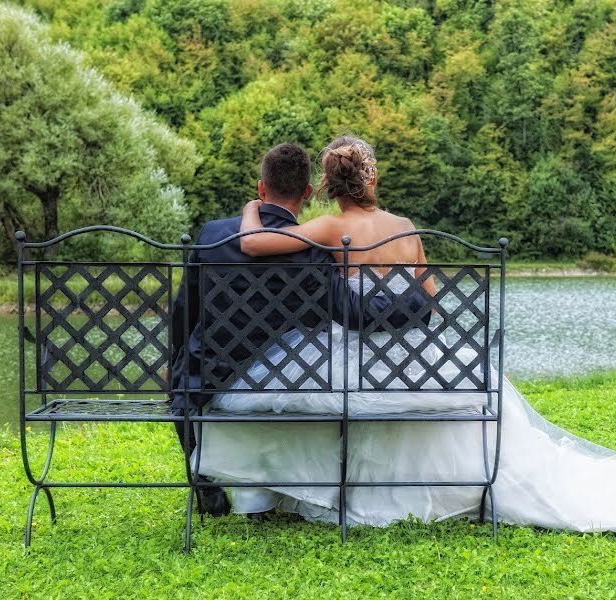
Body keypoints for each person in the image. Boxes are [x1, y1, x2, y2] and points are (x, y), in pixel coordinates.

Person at [198, 136, 616, 540]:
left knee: (309, 389)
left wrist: (255, 207)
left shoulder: (328, 225)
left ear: (328, 188)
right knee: (430, 391)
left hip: (357, 361)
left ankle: (301, 491)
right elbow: (428, 298)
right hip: (415, 359)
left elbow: (254, 245)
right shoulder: (406, 226)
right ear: (372, 180)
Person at [169, 141, 429, 517]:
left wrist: (175, 355)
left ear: (261, 189)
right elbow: (346, 312)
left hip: (211, 369)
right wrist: (415, 305)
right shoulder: (315, 246)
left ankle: (205, 481)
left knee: (181, 383)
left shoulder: (212, 235)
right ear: (307, 193)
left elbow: (185, 307)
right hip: (293, 373)